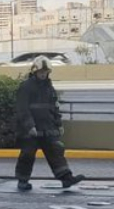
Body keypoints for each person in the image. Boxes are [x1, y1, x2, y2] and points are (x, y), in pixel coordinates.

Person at [15, 56, 85, 191]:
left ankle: (66, 178)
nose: (43, 74)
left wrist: (58, 124)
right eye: (41, 72)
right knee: (27, 154)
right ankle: (22, 180)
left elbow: (54, 107)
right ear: (35, 71)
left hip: (48, 127)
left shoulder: (49, 88)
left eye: (45, 72)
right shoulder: (26, 87)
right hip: (31, 129)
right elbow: (22, 108)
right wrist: (30, 126)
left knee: (56, 151)